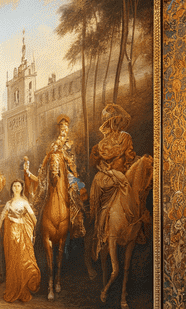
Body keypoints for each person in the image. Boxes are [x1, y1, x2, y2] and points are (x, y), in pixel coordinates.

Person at [88, 102, 137, 257]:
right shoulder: (103, 142)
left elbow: (129, 155)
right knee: (101, 181)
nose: (115, 124)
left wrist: (132, 163)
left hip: (123, 172)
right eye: (112, 121)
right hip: (108, 175)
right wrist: (104, 167)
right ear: (108, 123)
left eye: (117, 120)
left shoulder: (125, 137)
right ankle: (100, 230)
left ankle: (137, 225)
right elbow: (99, 161)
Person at [41, 114, 85, 238]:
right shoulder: (53, 144)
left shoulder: (70, 143)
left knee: (75, 192)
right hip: (55, 171)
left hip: (68, 172)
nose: (64, 130)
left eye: (66, 127)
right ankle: (39, 217)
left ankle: (78, 223)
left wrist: (64, 155)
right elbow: (49, 157)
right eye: (62, 127)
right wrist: (54, 150)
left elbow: (72, 159)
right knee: (43, 190)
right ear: (58, 129)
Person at [0, 179, 41, 302]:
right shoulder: (8, 203)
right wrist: (0, 225)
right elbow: (1, 219)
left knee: (22, 259)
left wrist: (33, 231)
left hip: (22, 233)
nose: (16, 187)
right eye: (14, 186)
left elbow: (33, 217)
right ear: (11, 188)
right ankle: (13, 288)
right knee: (13, 260)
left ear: (21, 188)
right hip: (11, 234)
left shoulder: (24, 202)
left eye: (18, 186)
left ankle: (23, 289)